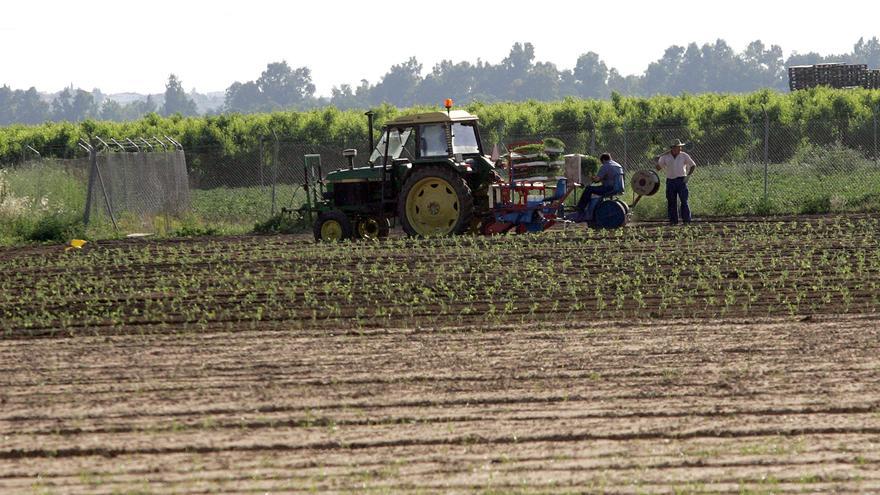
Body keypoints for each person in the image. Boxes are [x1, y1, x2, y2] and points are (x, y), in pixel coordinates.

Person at [656, 139, 696, 225]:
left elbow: (693, 165)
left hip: (681, 180)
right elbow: (658, 168)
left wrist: (688, 176)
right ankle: (673, 221)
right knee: (671, 201)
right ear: (672, 148)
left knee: (684, 201)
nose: (680, 148)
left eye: (680, 147)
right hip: (670, 181)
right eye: (678, 147)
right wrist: (657, 160)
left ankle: (686, 220)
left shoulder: (684, 155)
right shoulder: (665, 157)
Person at [575, 153, 624, 217]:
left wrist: (590, 177)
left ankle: (580, 208)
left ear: (603, 160)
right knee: (594, 189)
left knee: (588, 189)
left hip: (609, 188)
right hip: (618, 187)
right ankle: (592, 209)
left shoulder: (605, 166)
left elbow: (597, 180)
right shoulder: (618, 165)